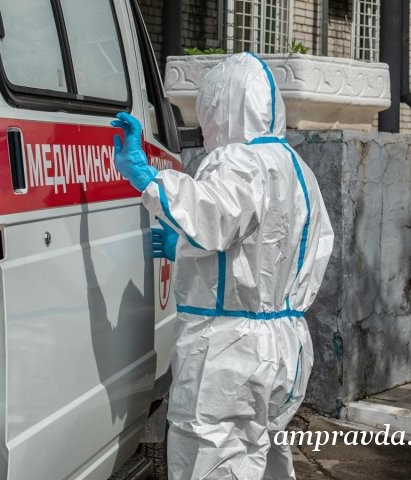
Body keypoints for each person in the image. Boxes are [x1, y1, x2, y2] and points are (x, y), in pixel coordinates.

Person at [111, 52, 334, 480]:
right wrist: (185, 248)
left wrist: (146, 176)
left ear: (223, 104)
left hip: (229, 351)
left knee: (211, 459)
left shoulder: (238, 160)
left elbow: (212, 216)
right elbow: (260, 246)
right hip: (284, 345)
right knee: (263, 456)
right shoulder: (296, 168)